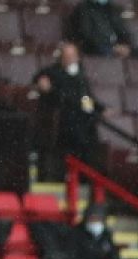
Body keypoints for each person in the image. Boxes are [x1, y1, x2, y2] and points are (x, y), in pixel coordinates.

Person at [33, 42, 103, 176]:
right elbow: (40, 79)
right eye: (66, 56)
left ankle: (87, 176)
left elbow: (86, 97)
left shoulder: (81, 76)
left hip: (82, 118)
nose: (69, 59)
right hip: (65, 118)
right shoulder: (54, 72)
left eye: (72, 56)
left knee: (91, 130)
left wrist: (95, 110)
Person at [66, 0, 132, 58]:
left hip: (115, 45)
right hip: (95, 47)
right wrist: (113, 47)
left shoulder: (112, 8)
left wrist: (125, 44)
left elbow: (121, 29)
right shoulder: (85, 8)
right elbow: (87, 34)